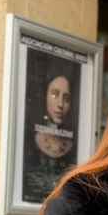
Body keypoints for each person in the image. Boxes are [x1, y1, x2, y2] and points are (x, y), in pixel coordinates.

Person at [23, 71, 77, 202]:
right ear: (45, 97)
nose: (60, 104)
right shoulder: (28, 141)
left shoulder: (76, 146)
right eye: (54, 94)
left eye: (66, 98)